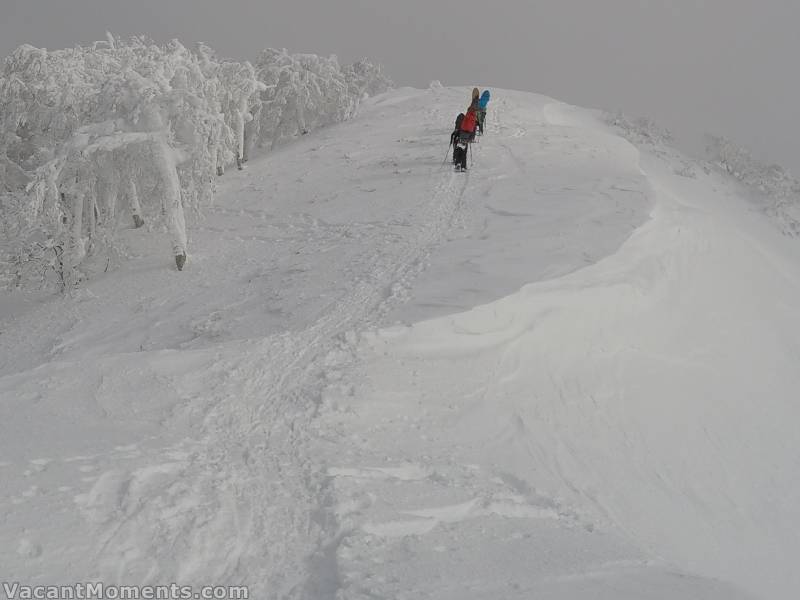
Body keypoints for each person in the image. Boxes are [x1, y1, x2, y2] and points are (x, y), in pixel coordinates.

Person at [452, 106, 478, 171]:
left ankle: (457, 163)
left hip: (461, 136)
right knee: (464, 152)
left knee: (459, 150)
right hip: (467, 137)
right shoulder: (473, 119)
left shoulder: (465, 117)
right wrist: (471, 138)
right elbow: (473, 130)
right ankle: (463, 167)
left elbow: (459, 126)